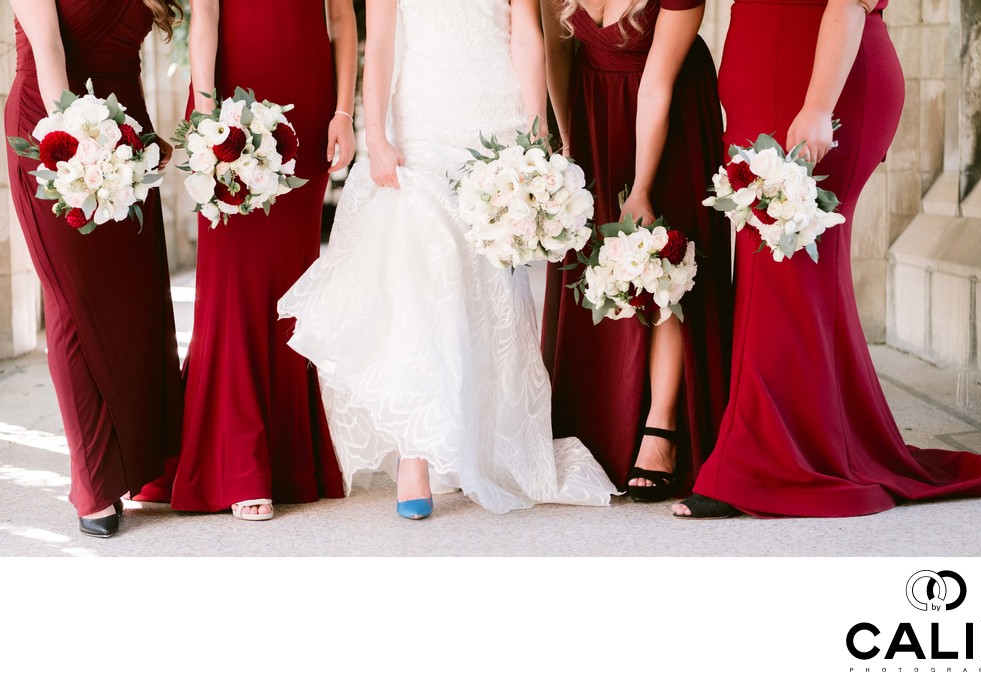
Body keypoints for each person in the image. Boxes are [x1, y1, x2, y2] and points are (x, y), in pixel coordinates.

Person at [673, 0, 981, 518]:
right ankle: (793, 449)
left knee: (786, 266)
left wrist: (817, 106)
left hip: (818, 83)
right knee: (775, 274)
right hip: (765, 85)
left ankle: (760, 466)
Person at [279, 0, 619, 519]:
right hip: (422, 121)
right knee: (419, 266)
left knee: (484, 281)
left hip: (496, 118)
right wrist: (375, 130)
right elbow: (385, 39)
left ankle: (467, 440)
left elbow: (526, 35)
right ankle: (414, 451)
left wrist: (537, 132)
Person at [156, 0, 358, 520]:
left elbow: (341, 18)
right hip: (228, 102)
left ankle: (290, 458)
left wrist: (342, 111)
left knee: (293, 278)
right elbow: (207, 12)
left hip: (307, 102)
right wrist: (205, 107)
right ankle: (240, 462)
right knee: (231, 279)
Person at [539, 0, 732, 501]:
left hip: (668, 113)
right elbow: (557, 54)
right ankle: (601, 421)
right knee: (602, 268)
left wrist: (642, 186)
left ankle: (661, 429)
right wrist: (566, 142)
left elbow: (657, 84)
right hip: (594, 112)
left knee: (665, 265)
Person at [5, 0, 183, 537]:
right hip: (54, 130)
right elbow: (50, 52)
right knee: (71, 302)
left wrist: (142, 141)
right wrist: (80, 147)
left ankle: (141, 461)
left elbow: (124, 67)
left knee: (135, 300)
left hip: (126, 138)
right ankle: (92, 483)